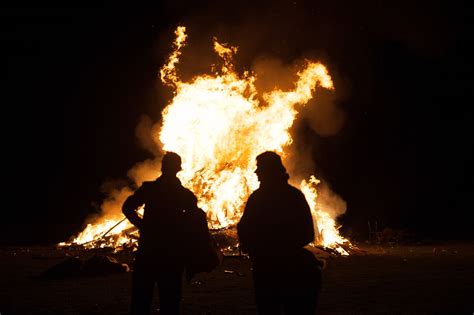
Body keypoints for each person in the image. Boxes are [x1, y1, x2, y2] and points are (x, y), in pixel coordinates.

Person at [122, 151, 218, 315]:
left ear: (163, 167)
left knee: (141, 300)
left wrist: (142, 225)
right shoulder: (185, 195)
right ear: (178, 169)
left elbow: (127, 207)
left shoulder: (150, 189)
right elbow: (196, 223)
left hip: (150, 252)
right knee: (170, 301)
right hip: (171, 255)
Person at [237, 151, 322, 315]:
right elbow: (307, 234)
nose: (256, 172)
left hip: (269, 270)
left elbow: (244, 229)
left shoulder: (258, 198)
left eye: (259, 168)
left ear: (268, 171)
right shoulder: (294, 196)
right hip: (291, 267)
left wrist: (260, 250)